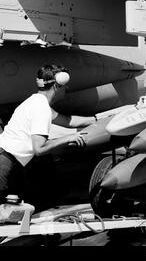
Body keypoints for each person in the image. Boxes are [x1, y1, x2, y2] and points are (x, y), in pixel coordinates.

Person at [0, 64, 97, 203]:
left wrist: (97, 118)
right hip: (4, 163)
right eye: (65, 86)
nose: (67, 89)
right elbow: (39, 148)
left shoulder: (36, 101)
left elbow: (68, 121)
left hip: (5, 159)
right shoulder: (41, 108)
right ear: (57, 86)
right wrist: (67, 138)